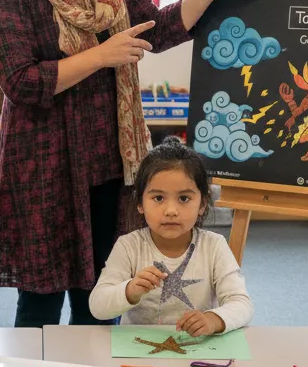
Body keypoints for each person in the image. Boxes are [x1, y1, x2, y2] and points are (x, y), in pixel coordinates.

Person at [0, 0, 271, 328]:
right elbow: (21, 82)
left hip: (108, 159)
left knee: (103, 293)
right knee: (42, 303)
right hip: (43, 165)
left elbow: (152, 31)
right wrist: (101, 55)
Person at [89, 138, 252, 333]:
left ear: (202, 204)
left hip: (197, 351)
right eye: (158, 198)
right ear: (140, 203)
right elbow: (97, 306)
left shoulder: (214, 246)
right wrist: (129, 291)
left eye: (184, 198)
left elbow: (242, 303)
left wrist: (215, 320)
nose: (171, 210)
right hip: (137, 352)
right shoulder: (128, 246)